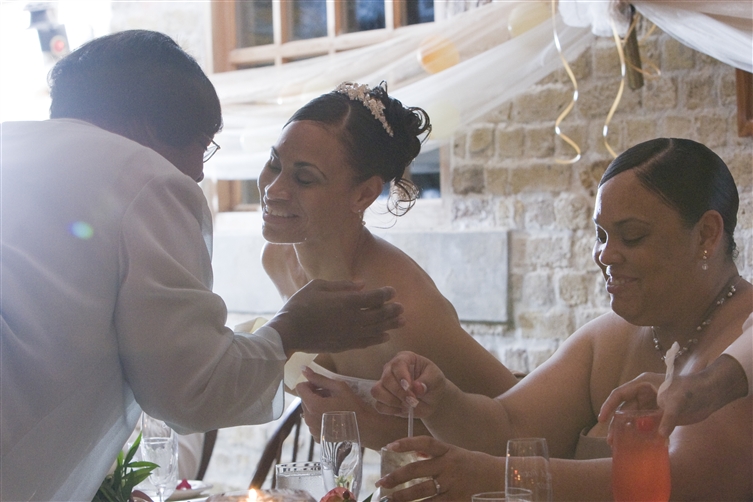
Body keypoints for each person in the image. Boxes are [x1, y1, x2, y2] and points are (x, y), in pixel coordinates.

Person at [0, 31, 404, 502]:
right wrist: (289, 330)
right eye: (204, 144)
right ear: (155, 127)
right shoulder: (148, 180)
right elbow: (188, 391)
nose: (198, 173)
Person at [371, 138, 752, 501]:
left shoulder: (743, 340)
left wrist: (491, 477)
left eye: (632, 236)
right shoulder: (611, 337)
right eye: (601, 235)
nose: (605, 255)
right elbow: (510, 429)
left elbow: (691, 482)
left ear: (706, 234)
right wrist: (440, 401)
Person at [258, 82, 519, 449]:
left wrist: (367, 427)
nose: (273, 189)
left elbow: (526, 428)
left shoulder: (405, 308)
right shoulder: (277, 259)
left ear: (364, 194)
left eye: (304, 178)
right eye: (274, 163)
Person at [598, 311, 752, 437]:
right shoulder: (606, 333)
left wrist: (708, 385)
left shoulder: (734, 323)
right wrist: (705, 386)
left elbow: (686, 463)